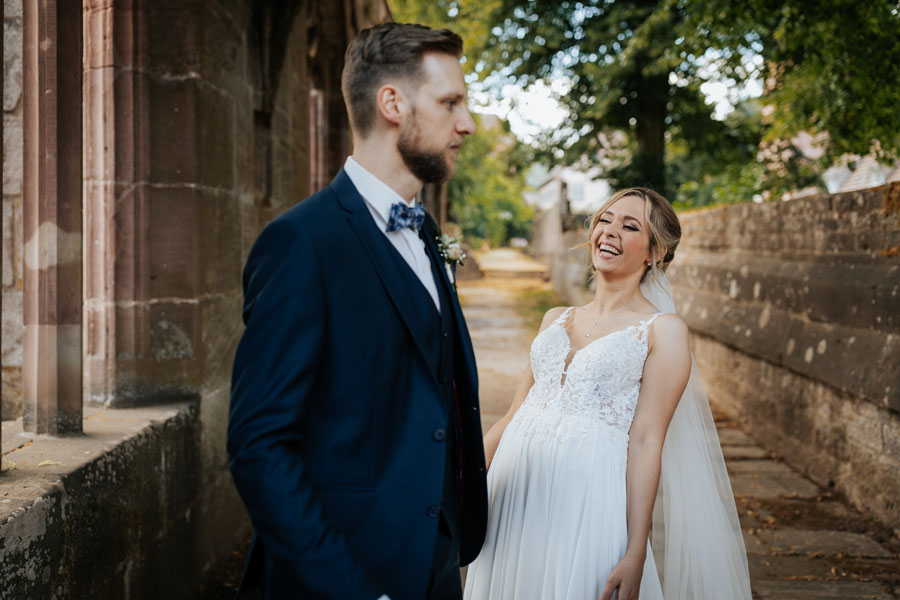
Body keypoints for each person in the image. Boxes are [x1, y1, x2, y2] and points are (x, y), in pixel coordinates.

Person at [227, 22, 488, 600]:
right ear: (392, 103)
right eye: (450, 102)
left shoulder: (425, 233)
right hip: (345, 574)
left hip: (436, 565)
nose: (466, 123)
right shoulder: (301, 244)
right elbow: (259, 447)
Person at [464, 188, 751, 600]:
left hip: (586, 505)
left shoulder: (662, 331)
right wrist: (460, 484)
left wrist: (636, 550)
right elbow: (513, 416)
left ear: (655, 252)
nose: (609, 232)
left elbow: (647, 440)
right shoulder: (553, 318)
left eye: (630, 226)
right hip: (513, 495)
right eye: (605, 220)